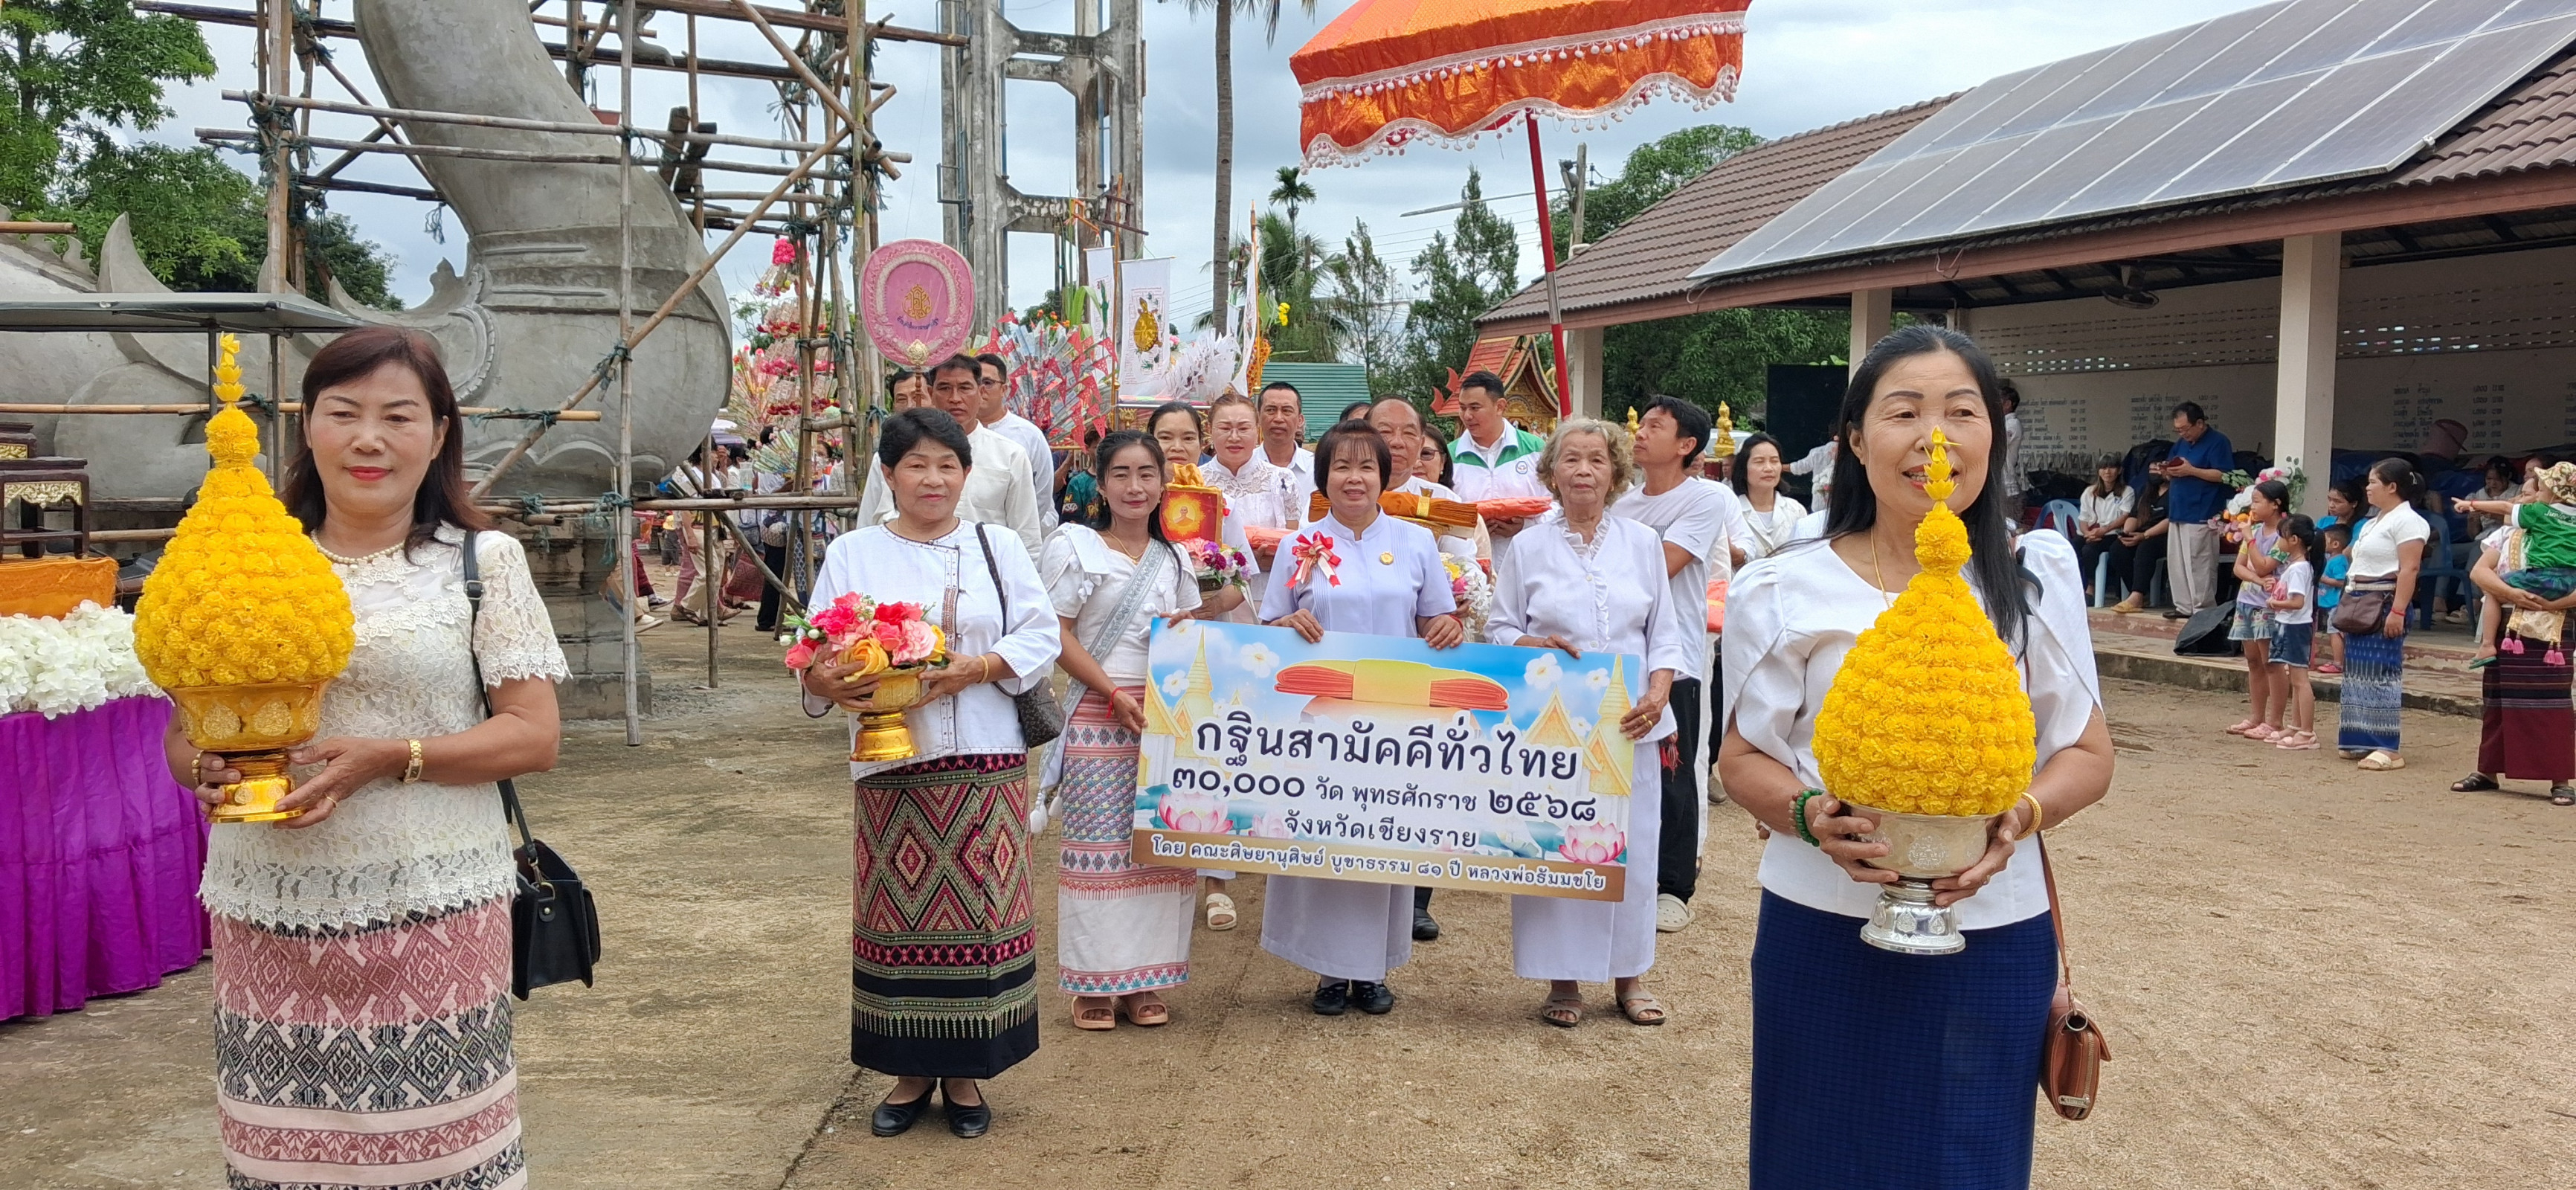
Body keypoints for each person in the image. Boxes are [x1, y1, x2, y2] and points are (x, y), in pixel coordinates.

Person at [170, 326, 567, 1190]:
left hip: (432, 904)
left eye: (398, 415)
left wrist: (393, 756)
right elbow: (182, 729)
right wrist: (200, 765)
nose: (369, 439)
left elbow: (533, 734)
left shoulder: (480, 563)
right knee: (283, 1157)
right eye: (343, 412)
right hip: (270, 907)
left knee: (440, 1154)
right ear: (307, 426)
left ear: (439, 432)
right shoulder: (244, 563)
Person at [1719, 324, 2113, 1190]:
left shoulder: (2031, 577)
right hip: (1820, 922)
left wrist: (2018, 816)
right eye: (1903, 412)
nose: (1933, 438)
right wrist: (1806, 815)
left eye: (1960, 412)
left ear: (1992, 438)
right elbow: (1741, 756)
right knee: (1814, 1150)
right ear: (1855, 440)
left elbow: (2085, 752)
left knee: (1964, 1158)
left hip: (1993, 932)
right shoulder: (1784, 585)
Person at [801, 406, 1063, 1139]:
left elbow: (1040, 634)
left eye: (947, 465)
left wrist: (974, 667)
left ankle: (967, 1074)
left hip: (984, 755)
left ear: (965, 475)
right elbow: (815, 643)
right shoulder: (853, 552)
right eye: (916, 464)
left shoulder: (998, 545)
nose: (933, 478)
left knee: (981, 918)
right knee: (897, 918)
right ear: (887, 474)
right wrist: (827, 681)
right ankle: (908, 1071)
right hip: (890, 757)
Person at [1258, 421, 1464, 1016]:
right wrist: (1285, 625)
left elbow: (1436, 622)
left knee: (1382, 840)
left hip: (1396, 723)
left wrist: (1444, 627)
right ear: (1324, 477)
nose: (1355, 477)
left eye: (1366, 467)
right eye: (1342, 466)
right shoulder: (1302, 545)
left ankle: (1371, 968)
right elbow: (1272, 626)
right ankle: (1326, 971)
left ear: (1385, 475)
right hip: (1320, 720)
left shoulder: (1417, 542)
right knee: (1323, 835)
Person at [1487, 419, 1684, 1027]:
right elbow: (1497, 628)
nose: (1583, 471)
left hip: (1632, 724)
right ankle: (1563, 981)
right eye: (1570, 460)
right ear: (1550, 474)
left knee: (1635, 849)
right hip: (1557, 725)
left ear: (1616, 473)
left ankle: (1631, 978)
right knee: (1559, 844)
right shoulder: (1528, 547)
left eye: (1596, 460)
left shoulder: (1642, 543)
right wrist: (1532, 642)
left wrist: (1658, 692)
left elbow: (1665, 636)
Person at [1040, 431, 1204, 1027]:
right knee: (1098, 849)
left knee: (1158, 847)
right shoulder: (1079, 548)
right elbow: (1057, 634)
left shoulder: (1179, 558)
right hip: (1098, 711)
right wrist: (1112, 693)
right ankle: (1093, 983)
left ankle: (1147, 979)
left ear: (1165, 483)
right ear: (1101, 484)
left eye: (1147, 474)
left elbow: (1190, 637)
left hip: (1164, 716)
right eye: (1121, 475)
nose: (1135, 487)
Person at [1609, 396, 1734, 935]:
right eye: (1643, 424)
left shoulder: (1706, 498)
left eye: (1655, 426)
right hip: (1617, 653)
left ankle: (1674, 886)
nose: (1640, 433)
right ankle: (1621, 871)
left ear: (1687, 446)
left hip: (1675, 656)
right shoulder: (1623, 504)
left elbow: (1662, 567)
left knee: (1675, 773)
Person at [854, 355, 1045, 559]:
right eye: (945, 388)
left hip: (984, 578)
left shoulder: (1011, 456)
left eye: (965, 388)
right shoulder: (895, 454)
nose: (955, 398)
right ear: (930, 393)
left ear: (981, 392)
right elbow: (867, 529)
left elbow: (1028, 541)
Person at [2459, 504, 2576, 805]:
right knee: (2497, 699)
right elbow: (2480, 572)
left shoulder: (2569, 533)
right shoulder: (2507, 535)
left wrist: (2555, 604)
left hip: (2555, 625)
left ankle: (2560, 779)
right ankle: (2488, 771)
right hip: (2508, 627)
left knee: (2553, 701)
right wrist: (2510, 593)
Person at [2338, 458, 2430, 771]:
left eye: (2374, 482)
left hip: (2387, 599)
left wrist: (2399, 610)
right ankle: (2360, 736)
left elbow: (2410, 568)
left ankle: (2387, 747)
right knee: (2359, 671)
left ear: (2393, 487)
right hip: (2359, 597)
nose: (2368, 487)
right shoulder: (2373, 521)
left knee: (2381, 674)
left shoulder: (2408, 521)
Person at [1143, 401, 1253, 623]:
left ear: (1202, 444)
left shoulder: (1221, 503)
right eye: (1165, 437)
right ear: (1149, 443)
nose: (1177, 447)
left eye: (1188, 438)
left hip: (1206, 626)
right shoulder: (1137, 502)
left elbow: (1244, 575)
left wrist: (1217, 605)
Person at [1369, 396, 1490, 567]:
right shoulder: (1342, 496)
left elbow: (1462, 566)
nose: (1397, 442)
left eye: (1409, 433)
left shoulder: (1444, 500)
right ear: (1364, 438)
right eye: (1385, 432)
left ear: (1420, 444)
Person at [1205, 390, 1303, 578]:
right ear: (1210, 430)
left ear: (1256, 430)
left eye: (1243, 428)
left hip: (1270, 582)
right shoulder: (1196, 482)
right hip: (1213, 588)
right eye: (1225, 428)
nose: (1234, 437)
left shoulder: (1282, 479)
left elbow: (1294, 542)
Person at [2455, 462, 2576, 605]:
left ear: (2555, 496)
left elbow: (2505, 507)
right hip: (2571, 581)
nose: (2537, 496)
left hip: (2540, 578)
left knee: (2493, 591)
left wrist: (2471, 504)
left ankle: (2489, 628)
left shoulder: (2540, 511)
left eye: (2540, 491)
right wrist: (2549, 606)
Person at [2155, 401, 2233, 620]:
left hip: (2202, 510)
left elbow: (2223, 475)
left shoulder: (2218, 442)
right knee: (2177, 561)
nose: (2182, 434)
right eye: (2178, 430)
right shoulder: (2181, 443)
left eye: (2185, 429)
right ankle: (2183, 605)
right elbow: (2175, 466)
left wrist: (2192, 470)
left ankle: (2202, 608)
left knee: (2199, 562)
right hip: (2179, 508)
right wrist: (2167, 471)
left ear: (2200, 423)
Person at [1447, 370, 1549, 537]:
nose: (1467, 416)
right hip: (1468, 559)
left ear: (1500, 406)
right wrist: (1473, 530)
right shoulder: (1449, 456)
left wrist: (1526, 525)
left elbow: (1558, 506)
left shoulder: (1536, 449)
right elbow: (1439, 513)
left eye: (1475, 408)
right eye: (1462, 408)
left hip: (1525, 556)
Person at [2226, 480, 2290, 742]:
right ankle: (2257, 716)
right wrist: (2254, 580)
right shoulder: (2254, 531)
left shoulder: (2284, 536)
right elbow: (2239, 567)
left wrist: (2250, 540)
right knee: (2253, 661)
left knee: (2271, 662)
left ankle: (2275, 721)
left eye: (2257, 501)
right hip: (2248, 601)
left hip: (2269, 604)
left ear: (2275, 504)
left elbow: (2265, 566)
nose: (2253, 506)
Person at [978, 353, 1061, 532]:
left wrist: (1017, 531)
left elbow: (1042, 493)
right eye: (974, 383)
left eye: (988, 383)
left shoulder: (1029, 435)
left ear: (1004, 389)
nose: (981, 389)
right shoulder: (958, 433)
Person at [2267, 514, 2322, 750]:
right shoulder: (2296, 566)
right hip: (2289, 624)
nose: (2278, 542)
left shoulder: (2299, 568)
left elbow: (2297, 602)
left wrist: (2275, 603)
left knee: (2300, 681)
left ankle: (2307, 731)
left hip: (2295, 625)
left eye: (2282, 537)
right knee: (2294, 678)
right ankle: (2296, 725)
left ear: (2294, 540)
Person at [1729, 431, 1807, 562]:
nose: (1769, 468)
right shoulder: (1732, 512)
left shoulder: (1796, 510)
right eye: (1759, 462)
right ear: (1743, 468)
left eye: (1774, 461)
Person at [2073, 454, 2134, 602]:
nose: (2107, 472)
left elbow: (2125, 516)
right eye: (2103, 468)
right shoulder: (2089, 491)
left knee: (2089, 550)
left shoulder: (2127, 491)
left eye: (2112, 468)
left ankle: (2091, 586)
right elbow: (2083, 517)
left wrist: (2104, 530)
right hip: (2091, 531)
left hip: (2112, 533)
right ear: (2099, 471)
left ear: (2119, 471)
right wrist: (2087, 533)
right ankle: (2074, 586)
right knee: (2072, 546)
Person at [1257, 379, 1314, 498]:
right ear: (1258, 418)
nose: (1278, 418)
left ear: (1300, 420)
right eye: (1270, 410)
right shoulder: (1244, 464)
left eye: (1287, 411)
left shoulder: (1316, 467)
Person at [2316, 522, 2350, 675]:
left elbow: (2341, 581)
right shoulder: (2330, 559)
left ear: (2336, 544)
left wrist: (2322, 579)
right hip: (2330, 603)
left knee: (2334, 630)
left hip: (2337, 603)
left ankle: (2338, 663)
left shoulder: (2338, 561)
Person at [1998, 379, 2027, 527]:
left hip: (2008, 488)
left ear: (2008, 404)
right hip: (2000, 486)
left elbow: (1996, 444)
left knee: (2010, 529)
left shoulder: (2012, 424)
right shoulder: (2002, 423)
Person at [1419, 421, 1457, 489]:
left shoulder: (1453, 499)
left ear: (1443, 461)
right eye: (1408, 455)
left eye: (1426, 454)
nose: (1416, 463)